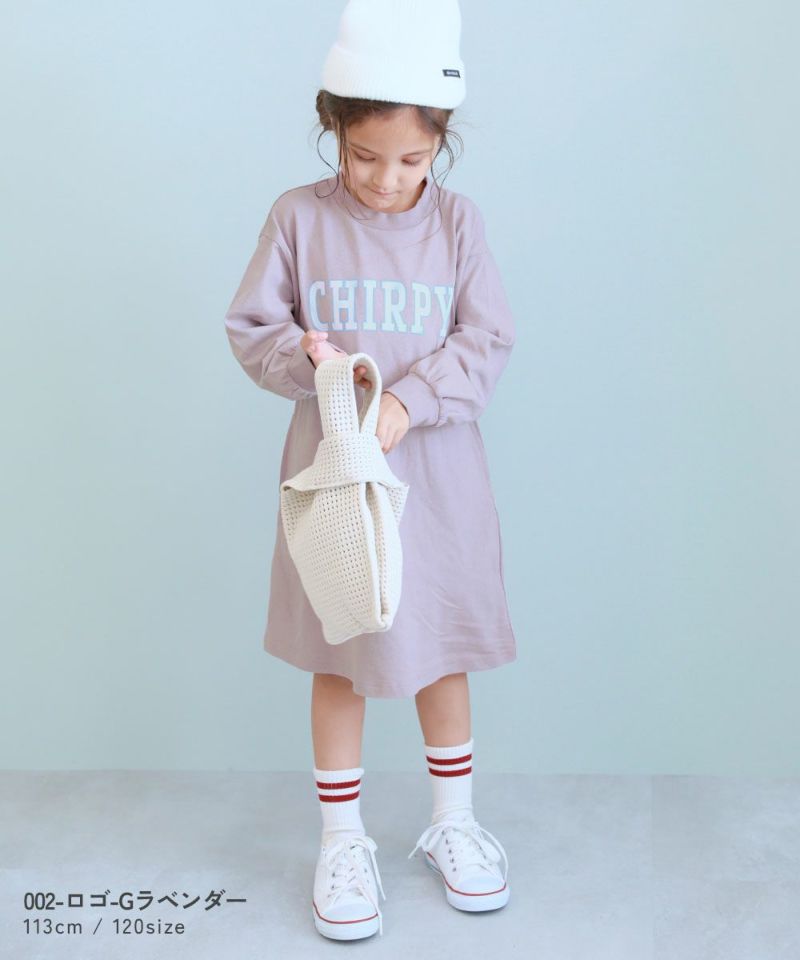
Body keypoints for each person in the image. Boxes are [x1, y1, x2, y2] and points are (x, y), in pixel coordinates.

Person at [224, 0, 516, 942]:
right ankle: (342, 840)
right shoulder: (297, 219)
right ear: (335, 130)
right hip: (337, 480)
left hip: (436, 478)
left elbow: (486, 339)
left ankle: (453, 824)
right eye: (364, 157)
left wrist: (409, 400)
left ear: (441, 145)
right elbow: (253, 328)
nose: (387, 181)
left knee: (441, 644)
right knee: (340, 649)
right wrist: (306, 361)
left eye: (412, 161)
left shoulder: (459, 225)